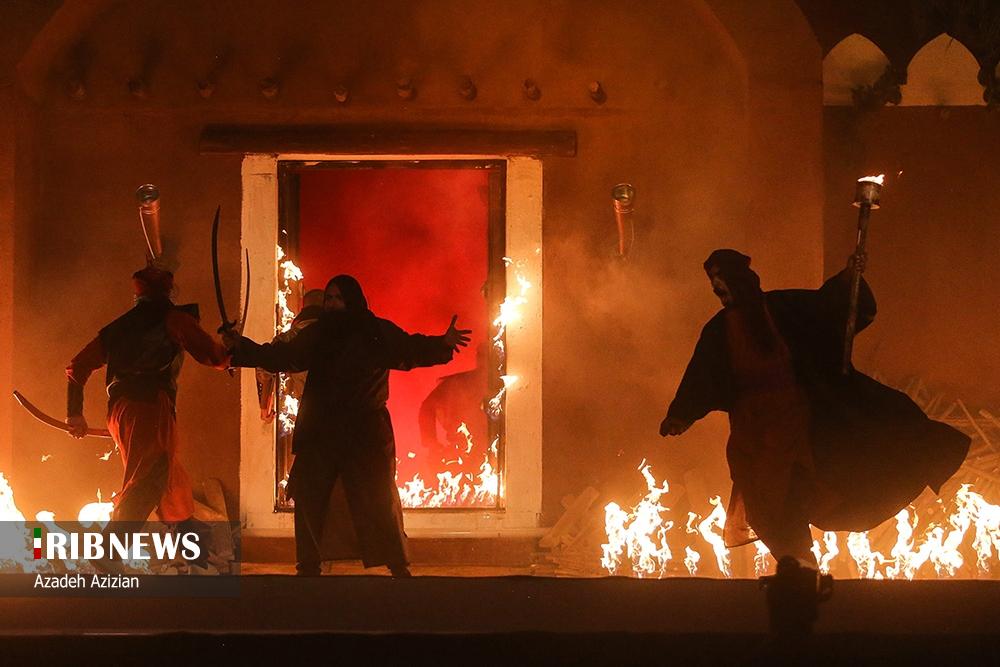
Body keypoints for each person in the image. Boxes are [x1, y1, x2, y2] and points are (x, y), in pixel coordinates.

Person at [659, 249, 970, 565]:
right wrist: (681, 414)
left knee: (800, 485)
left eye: (722, 282)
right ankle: (795, 560)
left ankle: (800, 561)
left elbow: (827, 307)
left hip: (796, 417)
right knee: (760, 497)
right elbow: (703, 372)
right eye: (715, 286)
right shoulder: (717, 330)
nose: (719, 290)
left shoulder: (785, 307)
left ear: (741, 280)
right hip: (752, 429)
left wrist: (848, 277)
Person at [225, 274, 471, 577]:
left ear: (352, 300)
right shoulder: (319, 334)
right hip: (322, 427)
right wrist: (241, 349)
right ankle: (308, 564)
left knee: (378, 496)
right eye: (328, 298)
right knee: (310, 493)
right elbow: (283, 356)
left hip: (364, 429)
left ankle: (397, 564)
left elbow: (408, 348)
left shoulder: (375, 332)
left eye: (338, 298)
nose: (332, 304)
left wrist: (442, 343)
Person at [66, 264, 231, 529]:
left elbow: (77, 368)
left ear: (138, 295)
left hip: (120, 413)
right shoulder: (174, 320)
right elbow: (214, 356)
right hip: (149, 409)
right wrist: (232, 352)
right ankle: (110, 547)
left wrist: (74, 413)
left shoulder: (117, 327)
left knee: (170, 481)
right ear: (168, 291)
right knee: (147, 480)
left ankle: (193, 543)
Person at [256, 288, 325, 423]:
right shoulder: (339, 335)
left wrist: (265, 407)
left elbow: (265, 366)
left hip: (311, 411)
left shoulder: (290, 337)